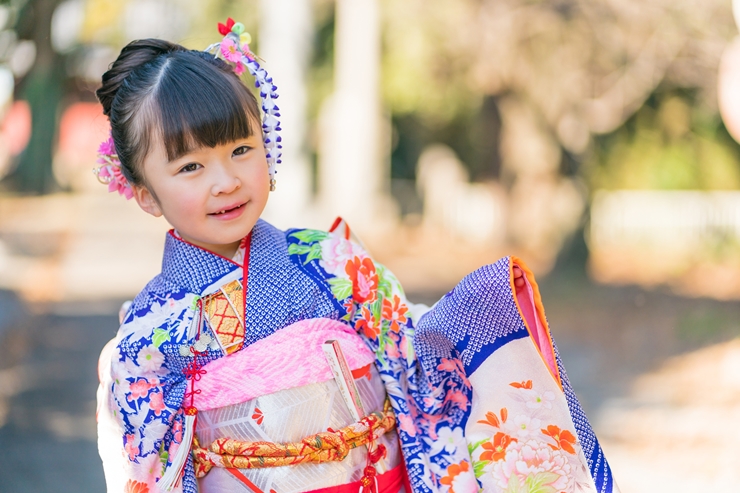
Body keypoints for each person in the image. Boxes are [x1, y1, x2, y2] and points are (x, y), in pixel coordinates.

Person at [95, 18, 618, 493]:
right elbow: (150, 466)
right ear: (144, 193)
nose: (226, 181)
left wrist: (481, 313)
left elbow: (411, 355)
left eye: (240, 150)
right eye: (190, 167)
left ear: (267, 145)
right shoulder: (152, 330)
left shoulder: (328, 260)